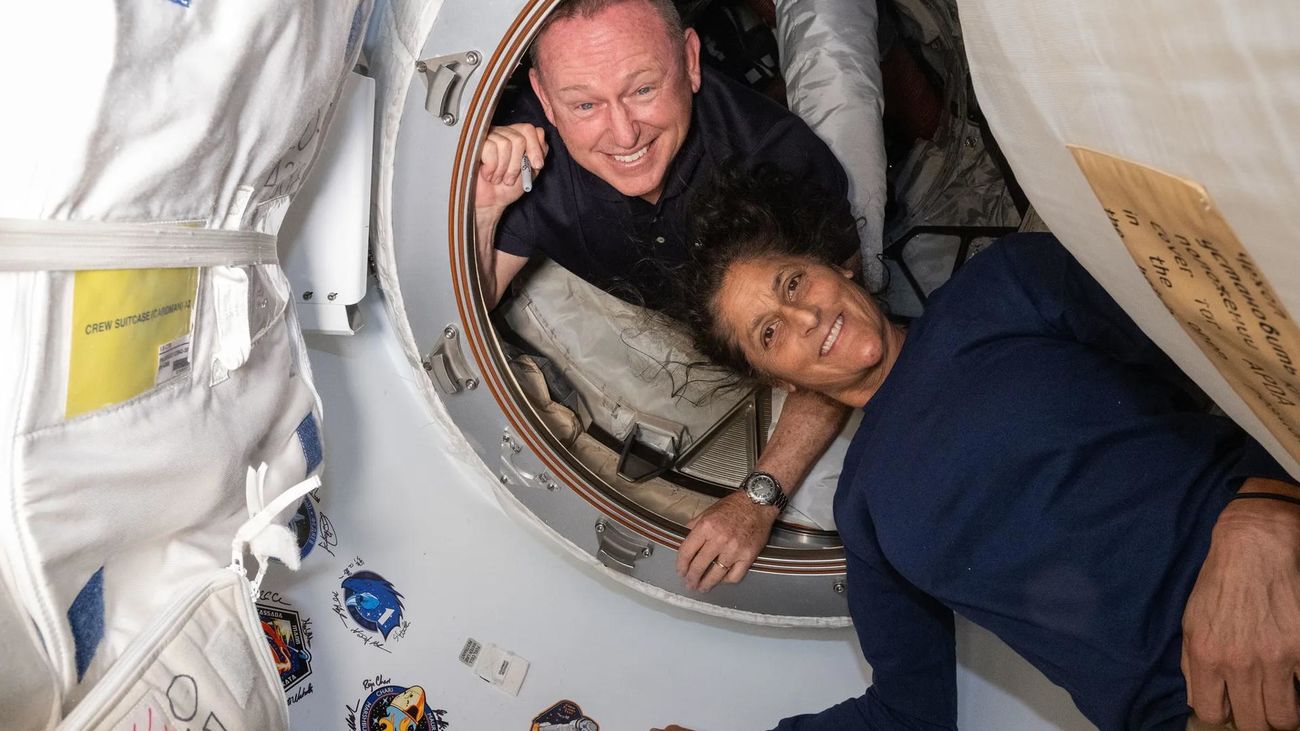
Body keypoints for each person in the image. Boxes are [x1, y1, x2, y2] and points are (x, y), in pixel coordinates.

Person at [653, 166, 1300, 731]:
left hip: (1271, 564)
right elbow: (909, 717)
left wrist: (1264, 510)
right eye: (771, 332)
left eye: (793, 284)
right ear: (781, 380)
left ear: (836, 263)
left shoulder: (1002, 286)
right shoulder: (864, 509)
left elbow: (1235, 341)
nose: (805, 319)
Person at [474, 0, 862, 591]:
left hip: (776, 341)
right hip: (655, 320)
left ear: (690, 60)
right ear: (545, 99)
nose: (623, 133)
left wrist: (761, 496)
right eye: (584, 105)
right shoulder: (529, 155)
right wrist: (484, 207)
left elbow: (841, 340)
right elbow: (473, 301)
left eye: (643, 89)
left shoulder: (778, 161)